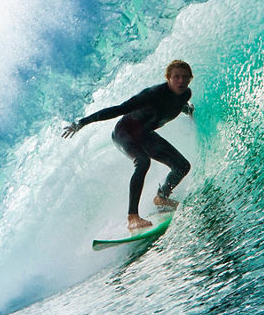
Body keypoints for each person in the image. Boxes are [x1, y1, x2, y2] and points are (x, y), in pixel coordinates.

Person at [62, 60, 195, 231]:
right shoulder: (152, 94)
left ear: (190, 79)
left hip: (145, 134)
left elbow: (175, 104)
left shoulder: (185, 95)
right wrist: (82, 122)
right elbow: (119, 109)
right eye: (176, 77)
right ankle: (132, 217)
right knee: (143, 161)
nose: (181, 81)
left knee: (182, 166)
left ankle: (161, 198)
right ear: (168, 78)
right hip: (125, 132)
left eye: (185, 77)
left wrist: (188, 111)